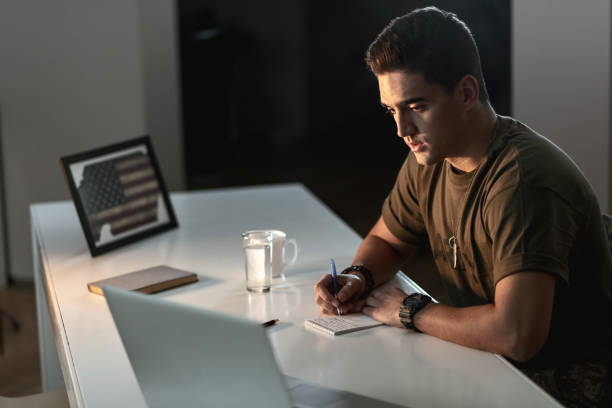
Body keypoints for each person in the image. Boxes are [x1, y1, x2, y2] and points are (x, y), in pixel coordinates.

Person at [313, 7, 612, 407]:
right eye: (391, 111)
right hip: (493, 362)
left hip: (564, 383)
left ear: (467, 93)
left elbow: (517, 335)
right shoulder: (432, 153)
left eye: (416, 107)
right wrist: (359, 277)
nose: (402, 130)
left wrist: (411, 311)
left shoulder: (523, 182)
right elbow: (388, 239)